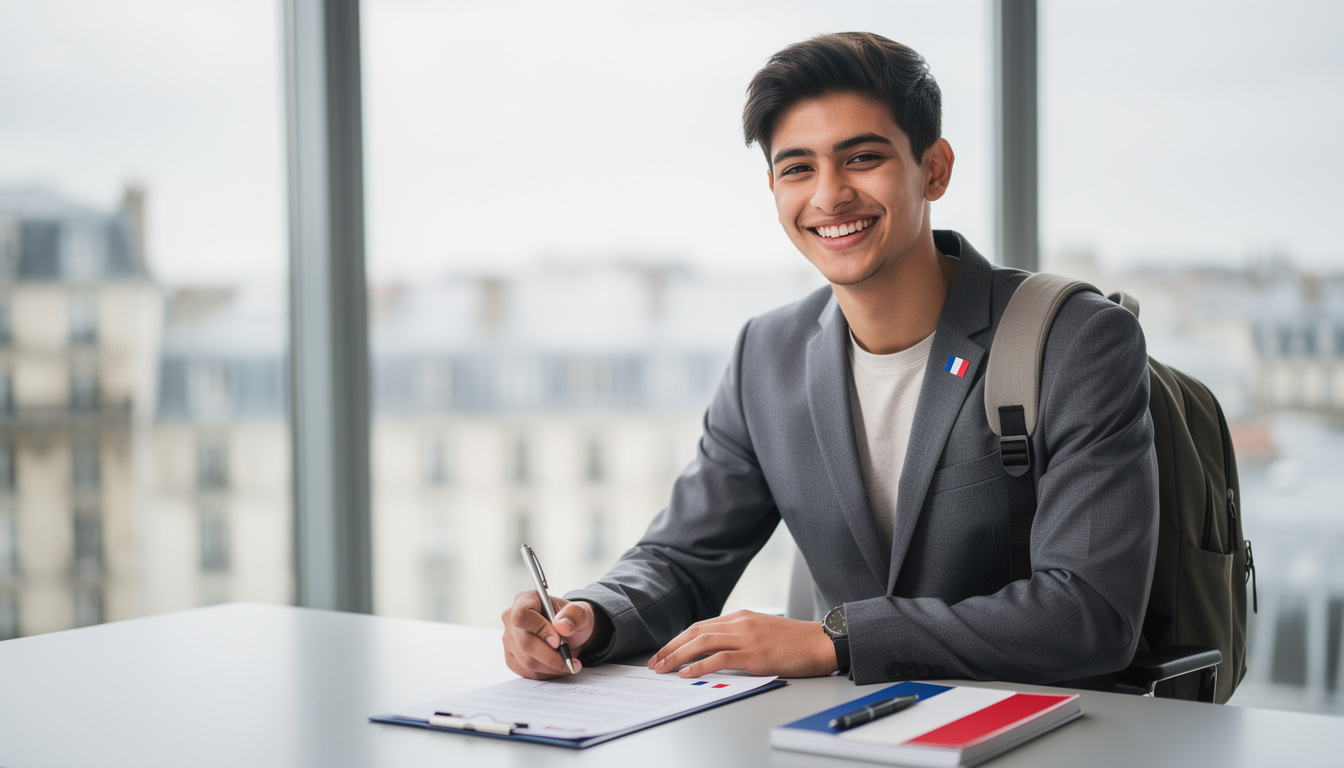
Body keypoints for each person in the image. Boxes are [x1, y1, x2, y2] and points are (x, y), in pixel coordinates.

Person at [501, 32, 1158, 686]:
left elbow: (1088, 612)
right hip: (839, 737)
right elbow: (681, 559)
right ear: (774, 189)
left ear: (934, 168)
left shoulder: (1076, 341)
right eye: (797, 169)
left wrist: (837, 640)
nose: (829, 195)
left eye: (861, 158)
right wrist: (591, 614)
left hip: (1043, 731)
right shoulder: (767, 355)